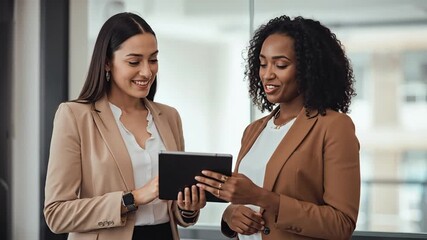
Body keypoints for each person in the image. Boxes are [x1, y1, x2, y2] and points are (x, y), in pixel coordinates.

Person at [44, 12, 206, 240]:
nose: (147, 71)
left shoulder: (169, 116)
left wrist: (188, 207)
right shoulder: (75, 116)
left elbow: (176, 213)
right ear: (107, 62)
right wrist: (134, 198)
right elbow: (56, 214)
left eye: (153, 60)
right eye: (134, 61)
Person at [196, 15, 360, 239]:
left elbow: (341, 224)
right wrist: (230, 214)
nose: (267, 74)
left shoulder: (333, 127)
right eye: (263, 64)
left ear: (308, 69)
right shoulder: (254, 130)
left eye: (280, 65)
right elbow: (242, 203)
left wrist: (262, 197)